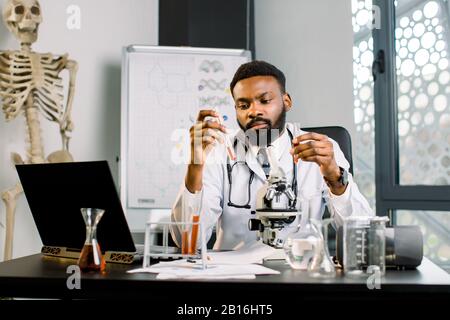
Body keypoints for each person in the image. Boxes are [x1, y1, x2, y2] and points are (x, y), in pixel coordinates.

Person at [170, 60, 373, 250]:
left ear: (287, 101)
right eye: (243, 105)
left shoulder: (321, 149)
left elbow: (363, 237)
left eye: (265, 100)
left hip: (300, 273)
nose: (254, 111)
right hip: (234, 280)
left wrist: (335, 178)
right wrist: (194, 166)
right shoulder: (219, 150)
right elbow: (187, 242)